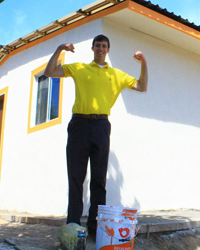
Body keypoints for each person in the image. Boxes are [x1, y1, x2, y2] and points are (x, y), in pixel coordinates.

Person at [44, 34, 148, 236]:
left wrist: (144, 62)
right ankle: (73, 226)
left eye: (104, 46)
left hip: (101, 125)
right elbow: (49, 72)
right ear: (92, 48)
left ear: (108, 50)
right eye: (98, 45)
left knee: (99, 179)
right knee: (76, 176)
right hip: (79, 125)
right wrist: (59, 50)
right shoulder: (80, 68)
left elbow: (142, 86)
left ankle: (95, 227)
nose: (101, 49)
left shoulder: (117, 74)